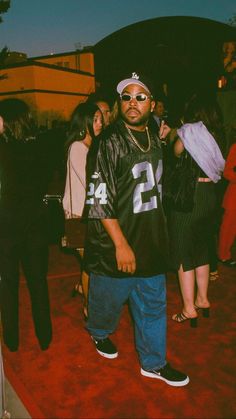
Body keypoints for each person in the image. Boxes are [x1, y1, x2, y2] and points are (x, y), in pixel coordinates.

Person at [83, 72, 189, 387]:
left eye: (140, 97)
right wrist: (120, 244)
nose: (132, 103)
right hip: (118, 242)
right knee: (107, 303)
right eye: (126, 97)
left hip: (151, 241)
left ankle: (153, 362)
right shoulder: (109, 142)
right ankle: (99, 332)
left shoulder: (155, 136)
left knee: (154, 305)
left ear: (152, 104)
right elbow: (99, 200)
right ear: (120, 103)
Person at [166, 94, 225, 326]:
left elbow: (177, 152)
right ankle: (203, 299)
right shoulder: (220, 134)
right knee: (201, 247)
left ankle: (189, 308)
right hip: (210, 196)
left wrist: (174, 134)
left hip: (190, 197)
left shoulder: (189, 131)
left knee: (182, 250)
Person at [0, 98, 53, 351]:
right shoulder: (42, 146)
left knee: (8, 283)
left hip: (7, 225)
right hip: (36, 223)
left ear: (7, 120)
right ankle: (45, 336)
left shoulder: (2, 148)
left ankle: (11, 339)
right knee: (38, 281)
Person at [62, 102, 103, 318]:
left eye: (100, 119)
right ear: (84, 121)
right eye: (95, 119)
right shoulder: (78, 147)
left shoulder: (89, 146)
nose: (99, 123)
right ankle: (89, 306)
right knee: (91, 264)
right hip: (78, 215)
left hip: (87, 213)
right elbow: (90, 182)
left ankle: (81, 286)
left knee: (90, 260)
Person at [218, 140, 236, 267]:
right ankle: (223, 255)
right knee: (228, 228)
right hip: (234, 197)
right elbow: (227, 172)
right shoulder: (235, 148)